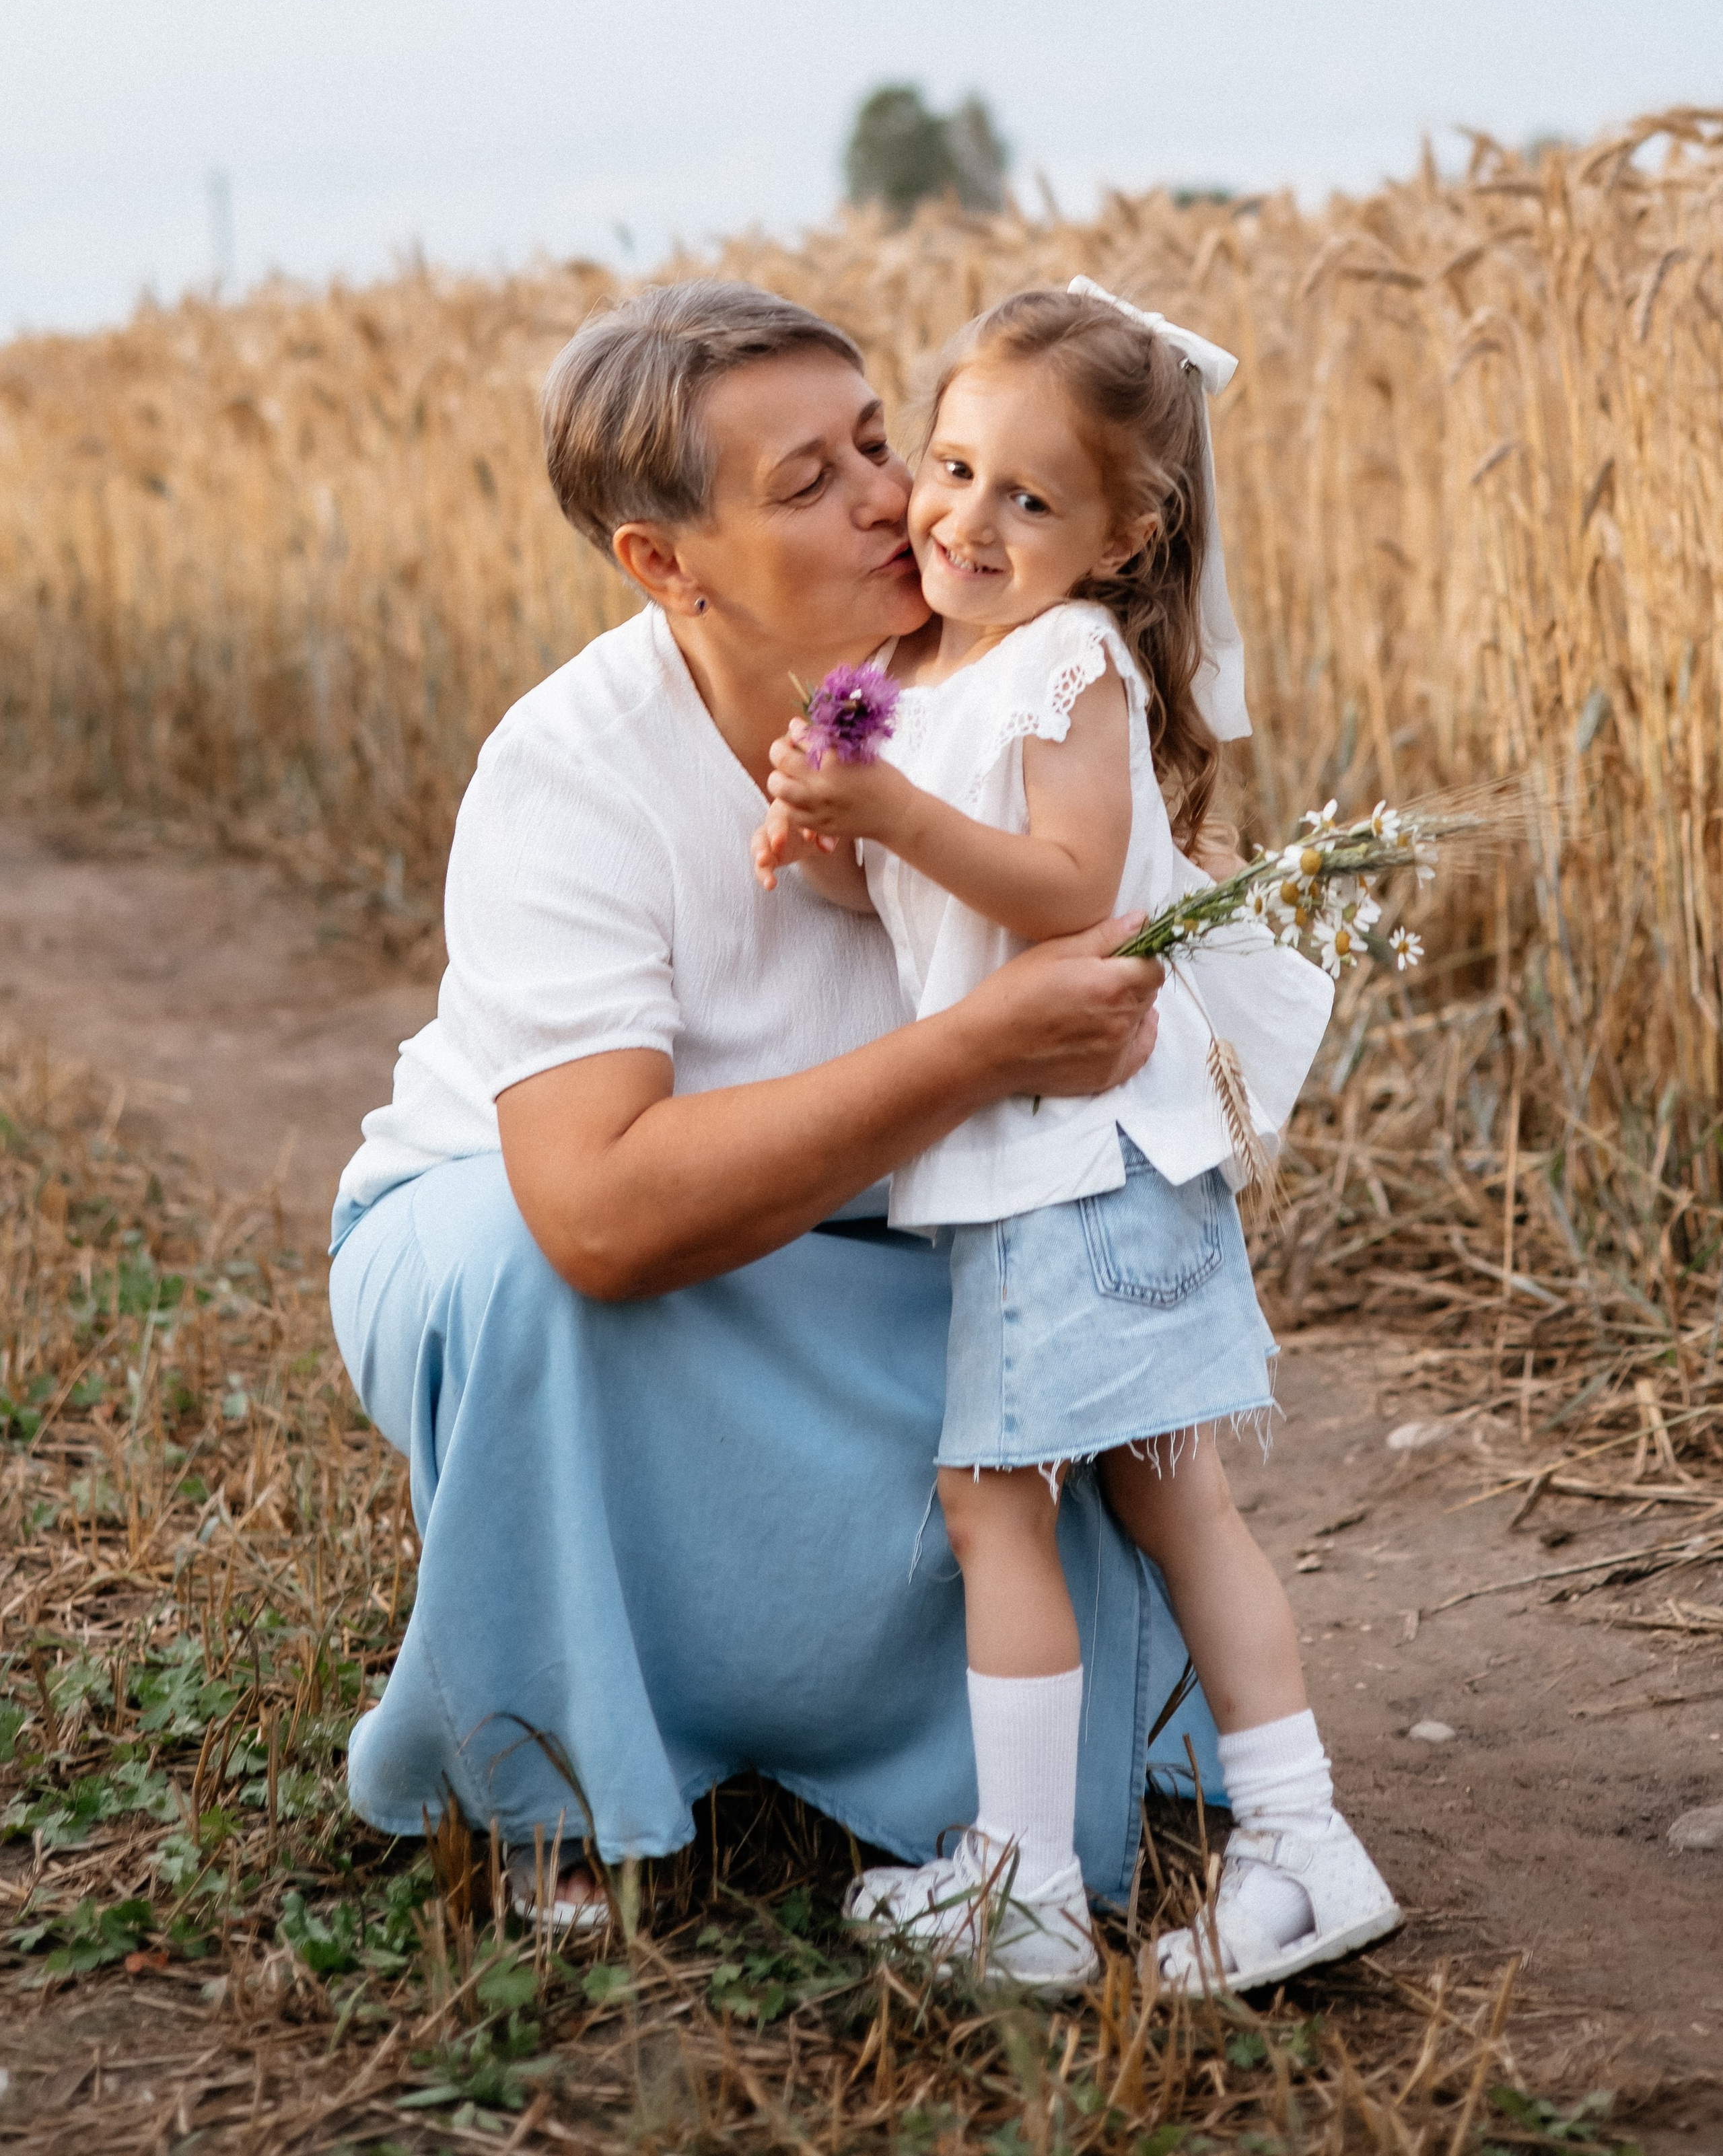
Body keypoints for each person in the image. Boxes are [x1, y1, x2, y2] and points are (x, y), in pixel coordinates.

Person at [328, 280, 1202, 1944]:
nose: (892, 497)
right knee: (526, 1274)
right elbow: (596, 1213)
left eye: (878, 440)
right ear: (666, 563)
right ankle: (551, 1783)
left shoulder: (1010, 693)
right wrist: (979, 1047)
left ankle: (976, 1794)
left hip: (874, 1247)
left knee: (1038, 1360)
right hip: (525, 1247)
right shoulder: (569, 768)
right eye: (808, 481)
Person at [752, 281, 1401, 1992]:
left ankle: (1043, 1883)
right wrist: (828, 835)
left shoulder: (1066, 661)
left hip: (1081, 1161)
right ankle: (1270, 1843)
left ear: (1119, 539)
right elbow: (916, 895)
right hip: (1043, 1161)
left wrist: (889, 809)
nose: (966, 518)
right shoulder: (914, 671)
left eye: (1029, 498)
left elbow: (1065, 891)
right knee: (1156, 1494)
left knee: (1010, 1503)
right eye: (953, 466)